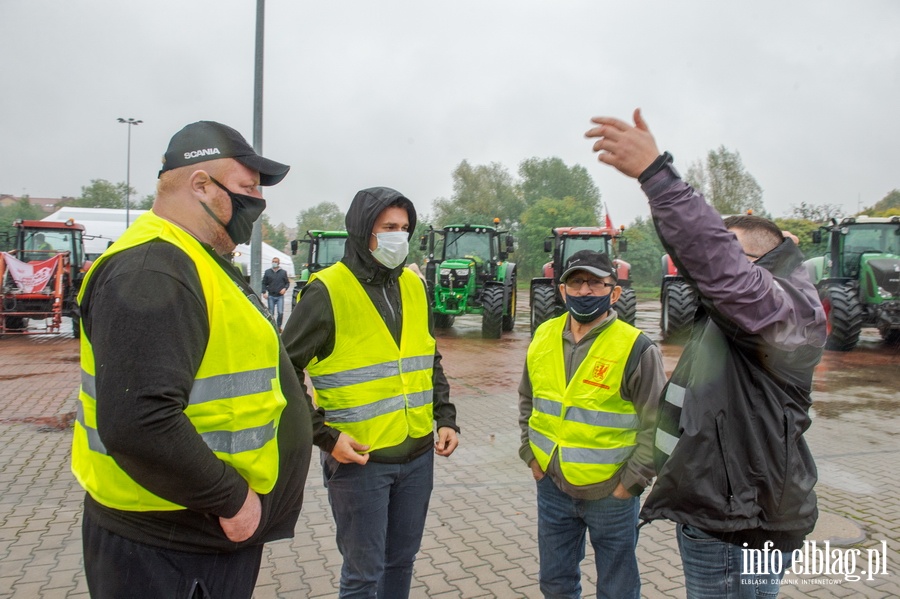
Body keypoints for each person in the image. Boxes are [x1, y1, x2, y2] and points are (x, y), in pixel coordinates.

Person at [586, 109, 826, 598]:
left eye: (731, 252)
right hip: (713, 514)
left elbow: (721, 270)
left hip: (743, 525)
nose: (708, 269)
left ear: (759, 262)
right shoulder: (730, 321)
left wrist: (658, 177)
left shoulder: (783, 315)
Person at [71, 121, 314, 599]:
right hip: (169, 547)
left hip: (196, 539)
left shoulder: (195, 260)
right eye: (246, 190)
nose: (256, 204)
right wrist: (233, 500)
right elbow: (139, 420)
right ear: (200, 184)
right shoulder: (153, 270)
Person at [282, 186, 459, 599]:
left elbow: (427, 358)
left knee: (401, 562)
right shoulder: (327, 291)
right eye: (388, 227)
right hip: (360, 462)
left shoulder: (415, 287)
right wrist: (323, 436)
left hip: (417, 457)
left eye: (404, 228)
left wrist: (445, 416)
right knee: (363, 574)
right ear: (363, 231)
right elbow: (283, 368)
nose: (399, 236)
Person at [518, 250, 666, 599]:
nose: (585, 291)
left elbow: (658, 425)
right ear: (562, 289)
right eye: (576, 282)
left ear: (614, 292)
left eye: (596, 283)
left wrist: (631, 483)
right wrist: (531, 455)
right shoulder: (543, 335)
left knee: (617, 588)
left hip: (611, 494)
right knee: (555, 584)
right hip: (552, 485)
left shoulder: (636, 347)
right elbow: (528, 397)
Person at [262, 256, 290, 330]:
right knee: (271, 313)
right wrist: (264, 292)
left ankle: (278, 327)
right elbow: (264, 283)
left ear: (278, 263)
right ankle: (272, 327)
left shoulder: (283, 272)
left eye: (276, 262)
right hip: (271, 296)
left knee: (280, 312)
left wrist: (285, 288)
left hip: (280, 296)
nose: (274, 263)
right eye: (273, 261)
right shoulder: (267, 272)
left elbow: (287, 283)